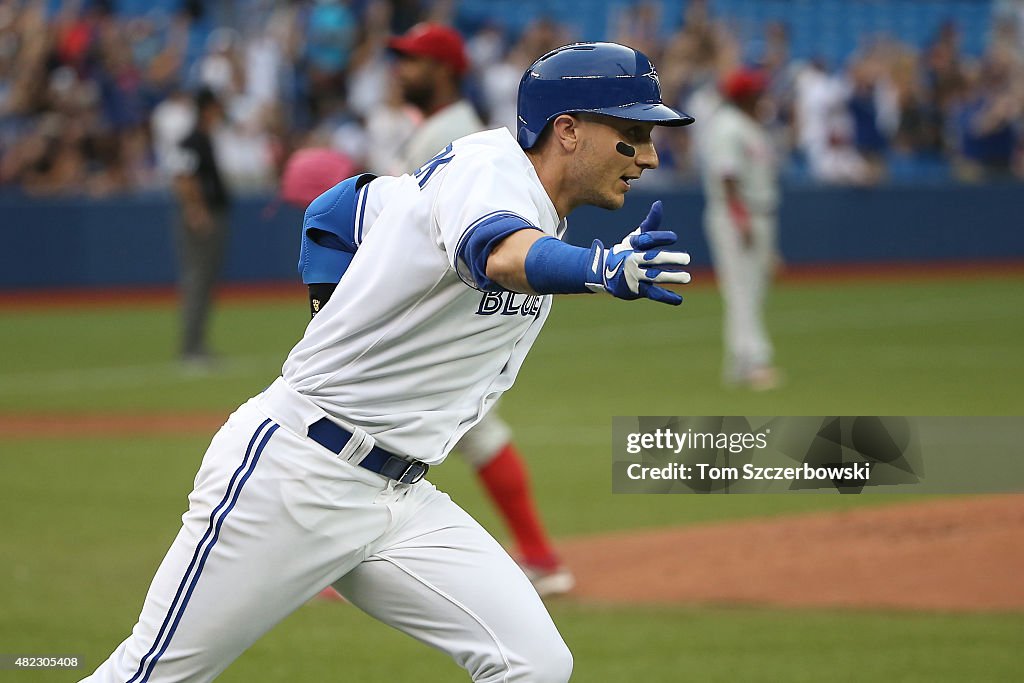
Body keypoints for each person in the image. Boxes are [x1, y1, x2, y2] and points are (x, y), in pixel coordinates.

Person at [81, 41, 692, 683]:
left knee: (534, 663)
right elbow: (499, 252)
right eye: (631, 133)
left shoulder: (527, 199)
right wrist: (600, 268)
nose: (649, 155)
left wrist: (337, 303)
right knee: (148, 676)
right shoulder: (492, 169)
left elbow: (336, 209)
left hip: (399, 498)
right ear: (567, 130)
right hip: (297, 477)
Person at [385, 21, 572, 593]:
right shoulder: (443, 131)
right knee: (466, 431)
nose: (401, 71)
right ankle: (540, 555)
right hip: (445, 310)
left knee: (383, 428)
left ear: (444, 70)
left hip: (447, 311)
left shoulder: (456, 137)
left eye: (413, 61)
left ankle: (542, 557)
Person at [699, 67, 781, 390]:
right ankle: (751, 361)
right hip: (737, 214)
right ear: (744, 96)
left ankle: (741, 362)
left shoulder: (750, 126)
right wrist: (741, 218)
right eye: (757, 92)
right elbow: (727, 176)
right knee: (741, 290)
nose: (763, 96)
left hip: (759, 212)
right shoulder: (727, 126)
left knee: (753, 289)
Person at [168, 87, 231, 366]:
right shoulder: (192, 140)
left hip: (211, 215)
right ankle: (191, 348)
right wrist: (195, 209)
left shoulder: (203, 139)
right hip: (202, 219)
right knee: (197, 281)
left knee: (204, 283)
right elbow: (182, 177)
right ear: (209, 108)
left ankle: (197, 345)